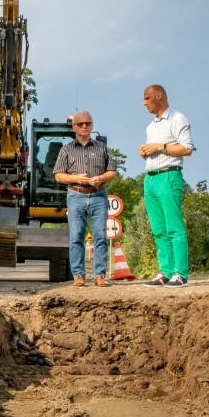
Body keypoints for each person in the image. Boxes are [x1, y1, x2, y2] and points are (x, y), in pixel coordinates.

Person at [138, 85, 195, 288]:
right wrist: (146, 151)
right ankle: (166, 271)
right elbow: (155, 149)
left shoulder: (177, 119)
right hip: (151, 178)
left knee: (174, 227)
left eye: (147, 98)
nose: (144, 103)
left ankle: (180, 274)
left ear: (159, 96)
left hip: (169, 176)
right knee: (159, 229)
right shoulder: (151, 126)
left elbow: (187, 148)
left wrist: (159, 147)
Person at [53, 111, 118, 287]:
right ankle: (79, 276)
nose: (84, 126)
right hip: (76, 195)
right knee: (76, 237)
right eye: (80, 124)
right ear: (74, 127)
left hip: (98, 196)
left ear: (92, 125)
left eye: (87, 123)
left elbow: (112, 171)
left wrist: (102, 178)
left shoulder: (102, 148)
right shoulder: (66, 149)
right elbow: (58, 175)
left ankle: (99, 276)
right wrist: (76, 179)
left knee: (100, 236)